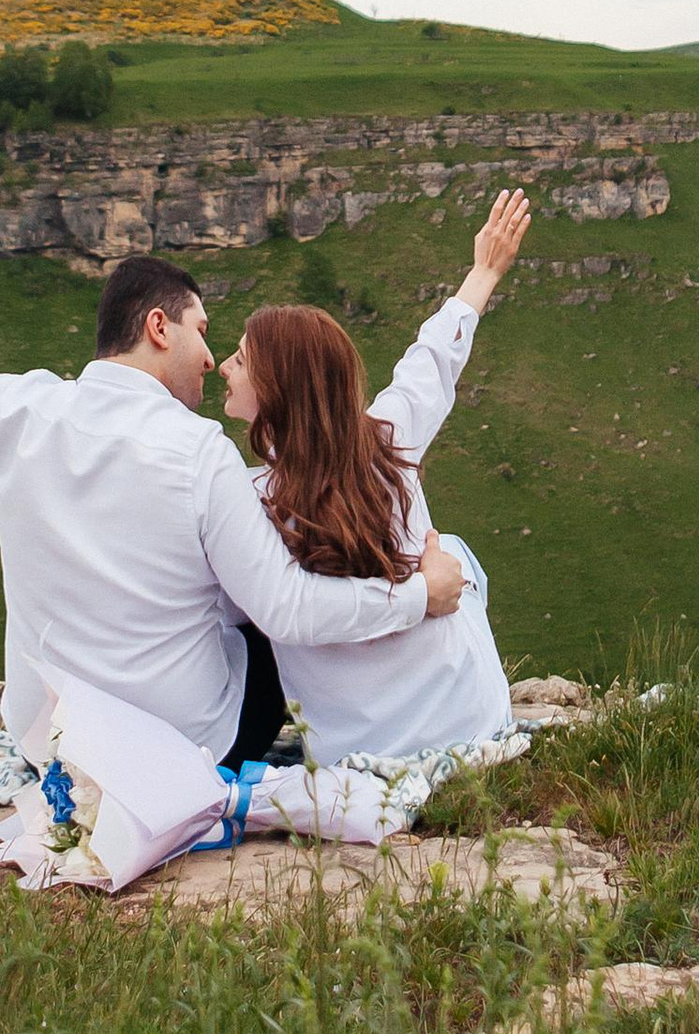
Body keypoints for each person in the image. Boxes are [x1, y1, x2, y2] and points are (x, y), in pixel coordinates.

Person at [0, 222, 462, 767]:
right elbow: (286, 610)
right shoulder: (200, 452)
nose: (211, 357)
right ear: (158, 326)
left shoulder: (13, 411)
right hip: (186, 747)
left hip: (51, 748)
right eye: (203, 331)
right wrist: (415, 597)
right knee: (262, 619)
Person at [219, 187, 530, 765]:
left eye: (240, 359)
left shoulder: (250, 499)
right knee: (452, 550)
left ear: (275, 388)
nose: (223, 366)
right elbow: (432, 360)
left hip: (365, 746)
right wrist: (484, 270)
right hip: (472, 715)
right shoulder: (386, 439)